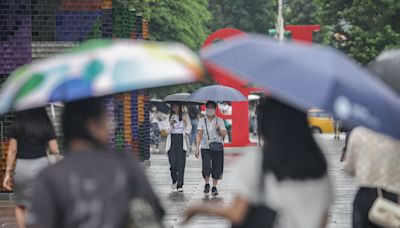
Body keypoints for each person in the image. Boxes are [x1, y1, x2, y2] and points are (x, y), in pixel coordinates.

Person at [185, 98, 333, 228]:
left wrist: (200, 209)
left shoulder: (257, 160)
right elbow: (323, 219)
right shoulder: (319, 164)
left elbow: (237, 213)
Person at [26, 98, 164, 228]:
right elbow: (154, 214)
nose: (111, 127)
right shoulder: (125, 165)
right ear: (92, 125)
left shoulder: (49, 177)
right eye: (106, 120)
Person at [2, 108, 59, 228]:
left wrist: (7, 172)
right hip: (41, 167)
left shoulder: (17, 121)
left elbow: (12, 150)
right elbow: (54, 149)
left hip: (21, 166)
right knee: (39, 204)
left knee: (20, 205)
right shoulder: (45, 121)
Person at [344, 126, 400, 228]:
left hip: (366, 195)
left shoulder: (359, 133)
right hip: (395, 196)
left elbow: (349, 169)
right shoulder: (396, 131)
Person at [195, 101, 227, 196]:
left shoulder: (219, 120)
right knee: (206, 166)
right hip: (205, 147)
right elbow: (199, 135)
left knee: (216, 166)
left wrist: (219, 129)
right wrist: (197, 147)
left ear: (215, 108)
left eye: (212, 107)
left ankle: (214, 187)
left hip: (217, 146)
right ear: (206, 108)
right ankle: (207, 184)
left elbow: (224, 134)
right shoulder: (202, 120)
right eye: (208, 107)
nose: (210, 109)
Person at [166, 103, 191, 192]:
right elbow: (165, 130)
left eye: (177, 106)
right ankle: (175, 180)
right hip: (172, 140)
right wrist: (170, 125)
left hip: (181, 139)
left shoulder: (185, 115)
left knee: (181, 163)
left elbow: (189, 127)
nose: (175, 108)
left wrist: (185, 125)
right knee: (173, 163)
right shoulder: (169, 116)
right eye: (173, 106)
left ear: (180, 107)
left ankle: (180, 185)